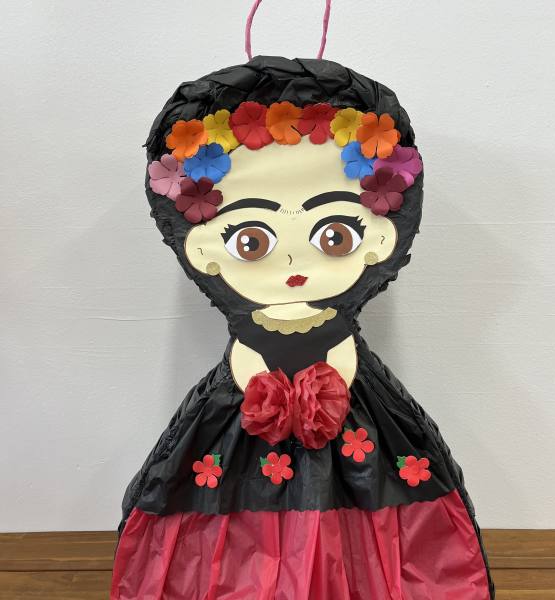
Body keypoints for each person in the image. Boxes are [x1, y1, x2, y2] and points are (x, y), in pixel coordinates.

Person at [111, 56, 494, 599]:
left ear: (380, 238)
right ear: (204, 249)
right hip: (240, 418)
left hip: (355, 417)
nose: (292, 265)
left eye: (335, 236)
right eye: (252, 241)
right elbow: (247, 361)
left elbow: (340, 357)